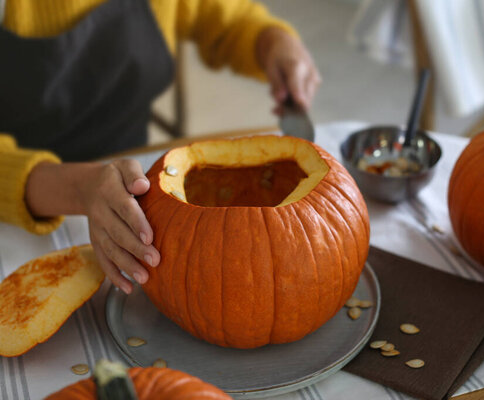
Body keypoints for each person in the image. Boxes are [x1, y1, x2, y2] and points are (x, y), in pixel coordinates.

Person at [0, 0, 321, 294]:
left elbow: (224, 16)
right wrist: (79, 188)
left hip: (129, 177)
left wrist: (273, 40)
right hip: (17, 205)